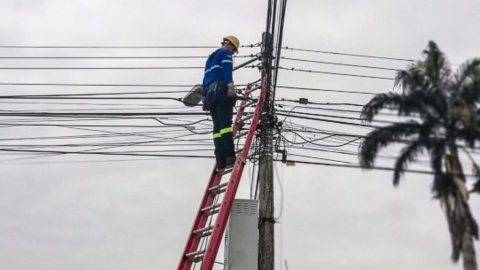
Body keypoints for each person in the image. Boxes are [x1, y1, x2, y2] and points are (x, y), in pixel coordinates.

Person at [202, 36, 240, 170]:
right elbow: (227, 70)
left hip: (210, 95)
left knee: (217, 128)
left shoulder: (210, 58)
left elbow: (205, 78)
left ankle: (220, 160)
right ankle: (230, 157)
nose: (233, 53)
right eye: (234, 49)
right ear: (229, 44)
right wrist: (230, 85)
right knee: (225, 126)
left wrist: (204, 96)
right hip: (220, 92)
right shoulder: (225, 53)